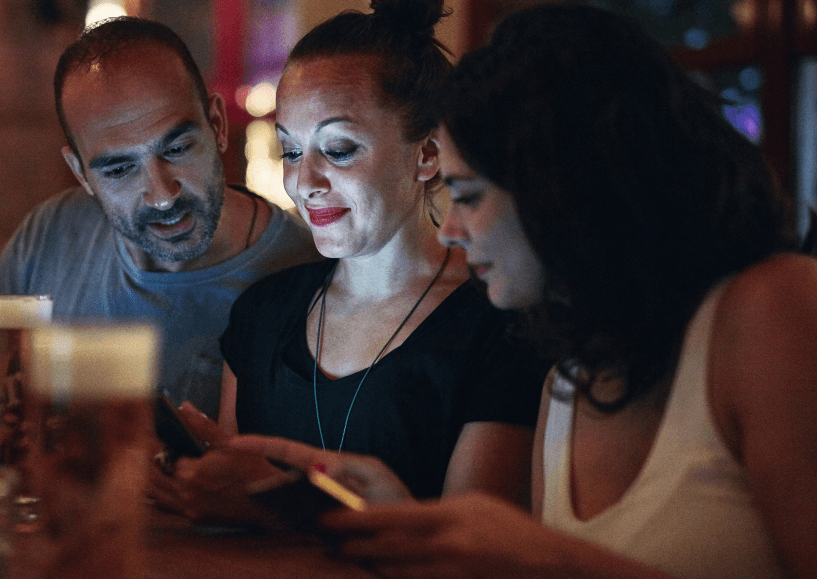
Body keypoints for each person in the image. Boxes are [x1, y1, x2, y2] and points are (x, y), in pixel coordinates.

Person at [236, 4, 817, 578]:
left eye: (467, 195)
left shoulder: (767, 309)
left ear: (562, 185)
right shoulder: (567, 372)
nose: (455, 229)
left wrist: (545, 560)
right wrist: (408, 519)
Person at [0, 17, 319, 469]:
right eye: (119, 169)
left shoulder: (307, 270)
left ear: (217, 124)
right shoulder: (55, 231)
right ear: (80, 172)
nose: (162, 195)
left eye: (178, 147)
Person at [153, 0, 548, 522]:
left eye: (338, 149)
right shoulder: (263, 314)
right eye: (291, 152)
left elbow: (474, 559)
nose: (304, 183)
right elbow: (229, 508)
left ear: (427, 154)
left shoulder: (498, 328)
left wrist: (277, 509)